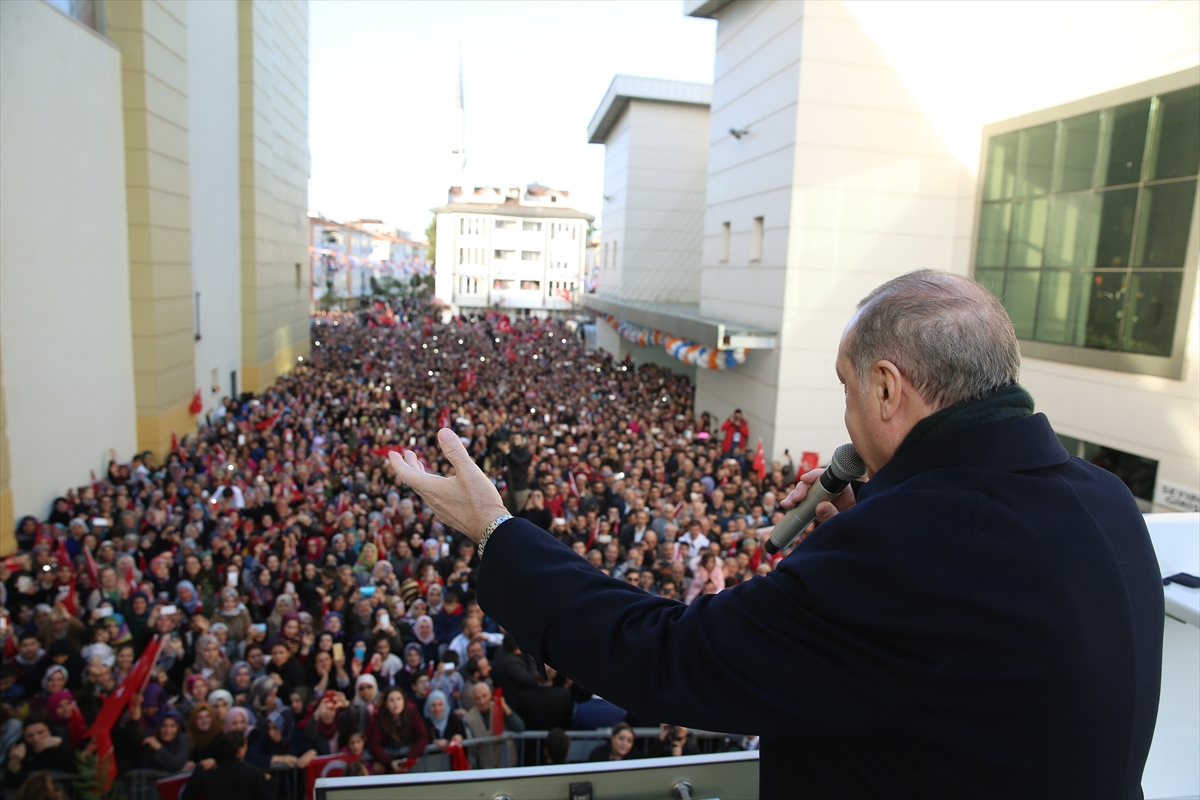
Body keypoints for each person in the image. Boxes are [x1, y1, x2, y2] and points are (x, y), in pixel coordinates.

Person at [389, 271, 1163, 799]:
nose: (846, 415)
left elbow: (667, 654)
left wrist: (497, 530)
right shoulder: (1105, 498)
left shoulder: (906, 546)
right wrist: (870, 522)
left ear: (888, 386)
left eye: (846, 386)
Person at [181, 731, 271, 800]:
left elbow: (187, 795)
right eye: (245, 745)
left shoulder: (209, 775)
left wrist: (200, 768)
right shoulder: (254, 773)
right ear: (240, 751)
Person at [366, 689, 427, 774]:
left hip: (409, 759)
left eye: (399, 699)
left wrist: (408, 758)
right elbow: (373, 744)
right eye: (391, 700)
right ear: (386, 704)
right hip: (388, 761)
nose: (396, 703)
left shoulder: (412, 714)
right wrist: (388, 762)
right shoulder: (380, 717)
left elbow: (422, 737)